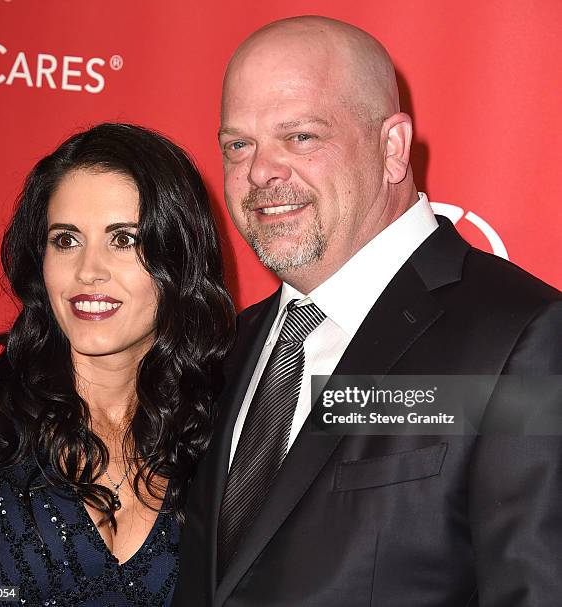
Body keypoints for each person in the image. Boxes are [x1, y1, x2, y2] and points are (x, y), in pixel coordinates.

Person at [173, 16, 562, 607]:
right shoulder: (231, 346)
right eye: (238, 144)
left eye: (300, 136)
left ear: (393, 147)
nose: (259, 172)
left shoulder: (521, 337)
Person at [0, 123, 234, 606]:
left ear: (179, 258)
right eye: (65, 240)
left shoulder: (213, 434)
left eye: (123, 240)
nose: (88, 270)